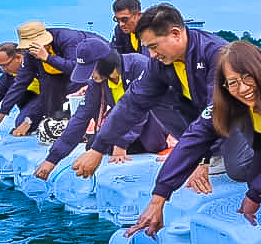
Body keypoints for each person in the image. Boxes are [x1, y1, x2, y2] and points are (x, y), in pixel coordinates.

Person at [127, 40, 261, 235]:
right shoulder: (228, 98)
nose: (244, 89)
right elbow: (192, 140)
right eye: (233, 82)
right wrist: (159, 199)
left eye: (249, 77)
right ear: (224, 85)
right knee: (255, 180)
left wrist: (254, 196)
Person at [71, 3, 234, 180]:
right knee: (154, 96)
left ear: (175, 34)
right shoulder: (159, 62)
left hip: (236, 119)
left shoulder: (216, 53)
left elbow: (217, 108)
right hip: (205, 116)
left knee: (239, 170)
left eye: (154, 46)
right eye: (147, 47)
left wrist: (202, 159)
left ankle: (229, 152)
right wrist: (98, 148)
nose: (151, 54)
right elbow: (131, 103)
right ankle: (207, 151)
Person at [33, 39, 172, 180]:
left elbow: (140, 108)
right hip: (125, 125)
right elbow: (82, 116)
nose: (90, 75)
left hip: (151, 124)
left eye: (91, 69)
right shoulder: (98, 80)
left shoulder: (140, 65)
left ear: (105, 62)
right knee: (92, 145)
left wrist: (121, 143)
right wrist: (52, 159)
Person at [0, 21, 102, 136]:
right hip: (60, 84)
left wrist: (47, 58)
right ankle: (55, 118)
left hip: (93, 71)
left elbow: (77, 68)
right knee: (22, 121)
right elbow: (21, 83)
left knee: (74, 85)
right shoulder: (32, 55)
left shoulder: (69, 40)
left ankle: (81, 122)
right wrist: (3, 113)